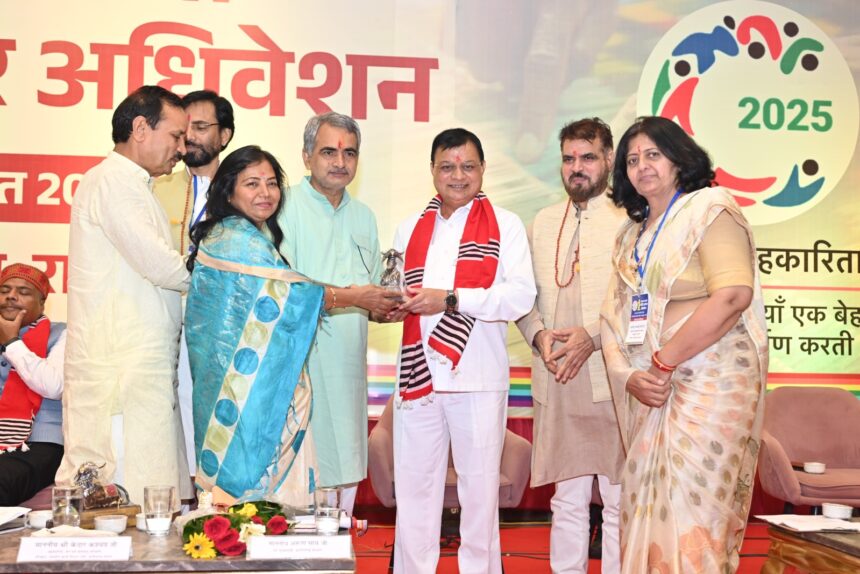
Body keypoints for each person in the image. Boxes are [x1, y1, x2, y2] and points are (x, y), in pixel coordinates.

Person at [600, 116, 768, 574]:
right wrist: (629, 376)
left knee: (695, 514)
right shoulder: (630, 236)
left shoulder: (709, 208)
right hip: (651, 389)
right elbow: (611, 318)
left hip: (709, 388)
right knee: (647, 509)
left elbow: (733, 296)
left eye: (653, 154)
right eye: (632, 160)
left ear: (679, 158)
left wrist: (663, 361)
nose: (642, 166)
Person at [391, 128, 536, 574]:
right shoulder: (409, 228)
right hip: (418, 378)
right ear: (432, 171)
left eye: (468, 166)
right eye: (447, 166)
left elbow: (520, 297)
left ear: (483, 169)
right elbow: (398, 294)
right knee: (415, 490)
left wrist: (451, 299)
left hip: (477, 377)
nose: (458, 175)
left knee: (479, 493)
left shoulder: (507, 225)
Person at [57, 85, 192, 510]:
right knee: (123, 500)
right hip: (119, 369)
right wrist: (226, 272)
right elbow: (162, 266)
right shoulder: (113, 181)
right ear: (140, 128)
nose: (182, 149)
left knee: (145, 496)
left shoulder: (133, 184)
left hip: (133, 364)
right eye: (176, 135)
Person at [277, 112, 400, 515]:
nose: (340, 162)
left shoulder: (364, 215)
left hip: (348, 362)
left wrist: (389, 307)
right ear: (306, 156)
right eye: (329, 152)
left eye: (350, 153)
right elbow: (287, 289)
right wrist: (358, 297)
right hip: (301, 360)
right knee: (303, 463)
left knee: (346, 460)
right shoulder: (283, 206)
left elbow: (372, 291)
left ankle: (340, 535)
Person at [516, 118, 625, 574]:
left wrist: (592, 338)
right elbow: (521, 297)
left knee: (618, 499)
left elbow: (639, 304)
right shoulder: (543, 222)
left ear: (609, 160)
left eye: (588, 157)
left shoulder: (631, 220)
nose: (577, 167)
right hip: (558, 378)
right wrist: (539, 336)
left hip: (610, 380)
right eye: (568, 158)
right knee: (566, 497)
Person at [153, 89, 235, 480]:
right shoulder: (157, 187)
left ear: (225, 135)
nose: (190, 137)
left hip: (223, 325)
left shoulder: (245, 190)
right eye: (184, 129)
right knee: (175, 411)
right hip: (168, 319)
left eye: (201, 127)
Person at [0, 264, 65, 505]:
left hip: (40, 443)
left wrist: (11, 342)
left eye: (24, 292)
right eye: (4, 290)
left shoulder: (62, 334)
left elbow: (54, 386)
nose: (11, 296)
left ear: (42, 303)